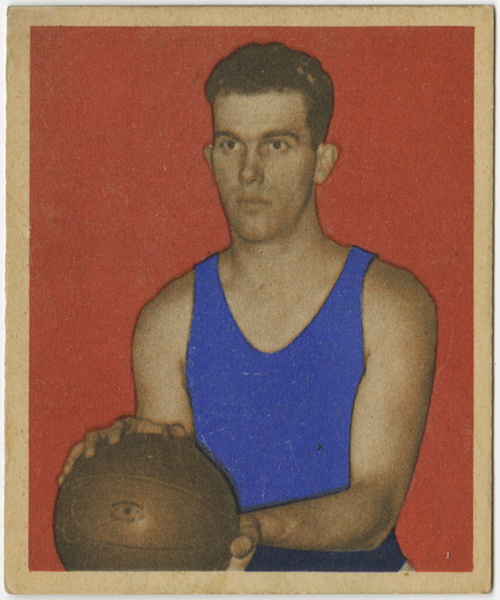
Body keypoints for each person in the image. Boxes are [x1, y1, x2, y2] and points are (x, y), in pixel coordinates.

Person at [60, 42, 437, 572]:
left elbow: (374, 508)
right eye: (231, 144)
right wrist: (122, 462)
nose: (249, 172)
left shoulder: (390, 303)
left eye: (277, 145)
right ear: (210, 158)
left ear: (322, 161)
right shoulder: (169, 319)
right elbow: (172, 494)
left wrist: (252, 527)